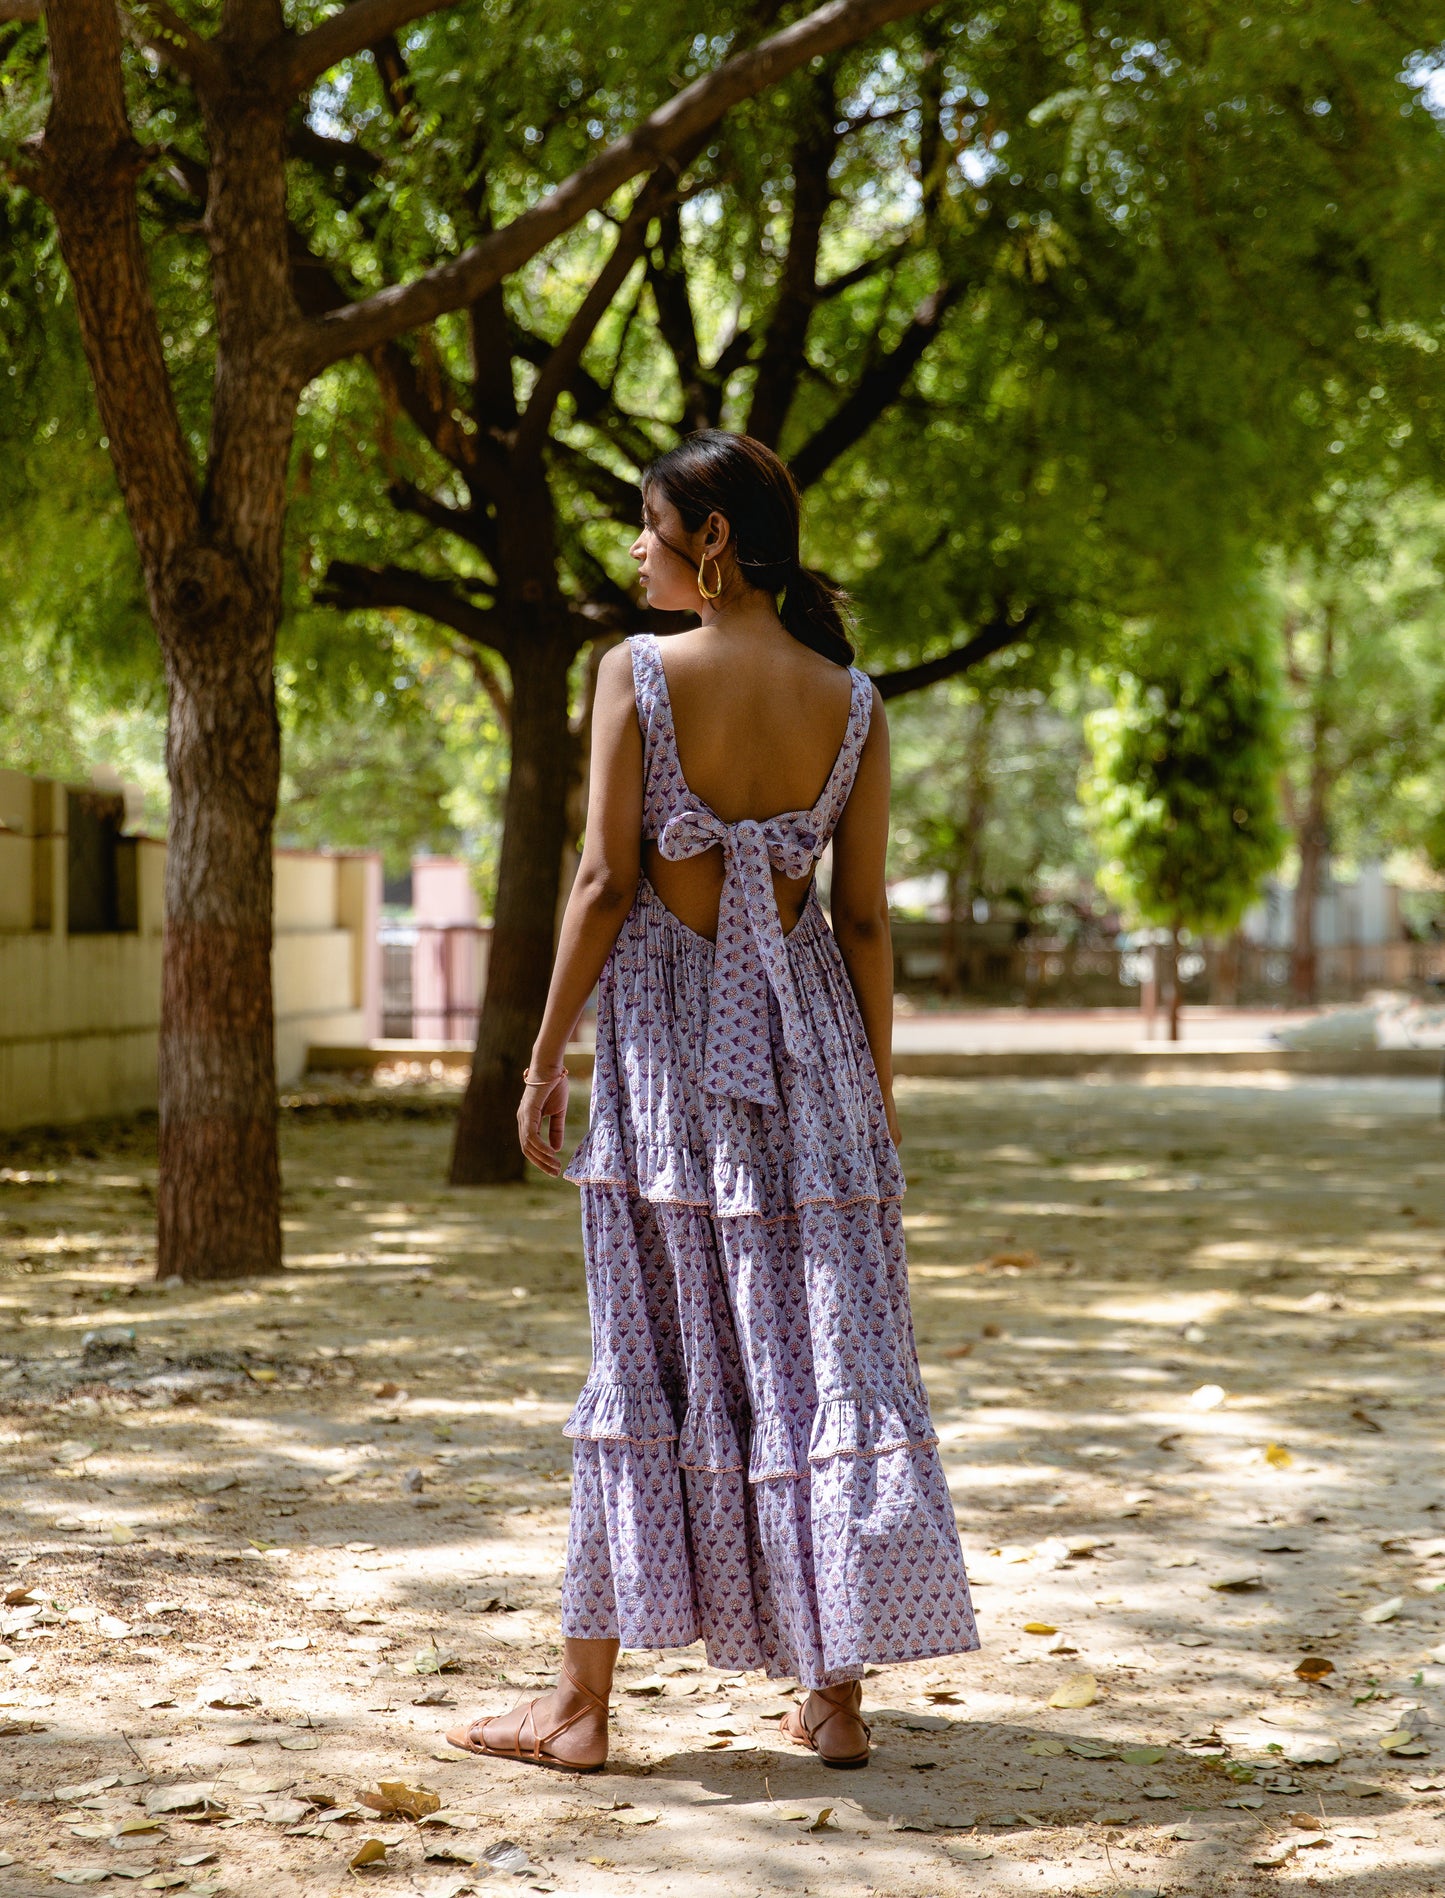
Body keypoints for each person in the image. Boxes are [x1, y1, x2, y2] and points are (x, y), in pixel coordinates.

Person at [447, 430, 978, 1774]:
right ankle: (837, 1696)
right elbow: (859, 919)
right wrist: (879, 1103)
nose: (634, 548)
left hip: (664, 1070)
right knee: (818, 1361)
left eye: (646, 525)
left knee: (647, 1352)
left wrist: (539, 1053)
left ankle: (579, 1708)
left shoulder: (632, 675)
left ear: (711, 541)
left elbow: (601, 884)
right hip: (814, 1072)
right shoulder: (852, 703)